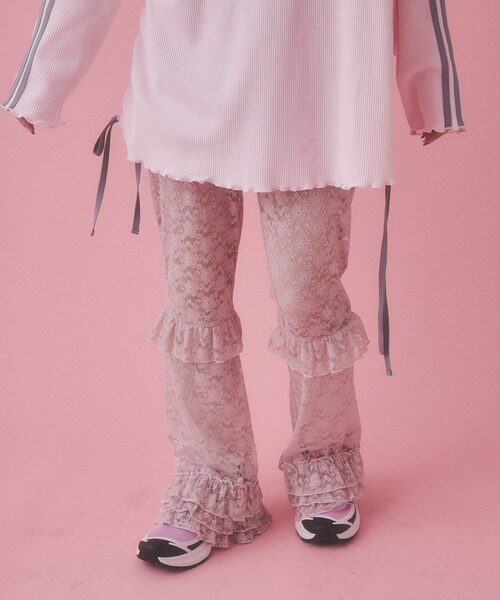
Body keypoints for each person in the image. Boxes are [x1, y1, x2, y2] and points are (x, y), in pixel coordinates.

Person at [1, 0, 466, 570]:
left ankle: (323, 461)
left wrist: (431, 85)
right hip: (186, 84)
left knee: (310, 299)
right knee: (194, 303)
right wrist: (42, 80)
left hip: (319, 88)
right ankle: (210, 480)